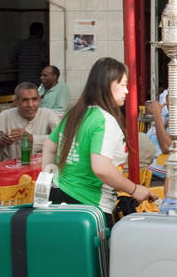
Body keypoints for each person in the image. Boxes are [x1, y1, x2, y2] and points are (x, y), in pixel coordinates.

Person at [41, 57, 154, 222]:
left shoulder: (75, 113)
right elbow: (101, 168)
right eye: (122, 85)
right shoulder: (104, 120)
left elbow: (49, 146)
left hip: (57, 196)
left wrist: (49, 180)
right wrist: (134, 189)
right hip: (88, 207)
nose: (126, 91)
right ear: (108, 85)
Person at [0, 82, 60, 163]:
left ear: (40, 100)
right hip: (11, 171)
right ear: (16, 102)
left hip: (42, 170)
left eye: (34, 99)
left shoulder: (48, 114)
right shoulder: (6, 116)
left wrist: (32, 138)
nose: (30, 104)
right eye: (25, 100)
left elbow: (64, 139)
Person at [13, 22, 49, 87]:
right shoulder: (42, 45)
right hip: (37, 81)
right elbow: (44, 62)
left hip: (22, 81)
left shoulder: (21, 44)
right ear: (39, 32)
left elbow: (13, 60)